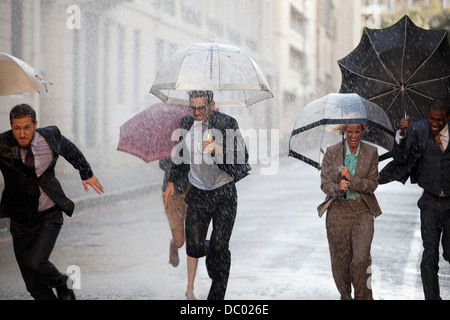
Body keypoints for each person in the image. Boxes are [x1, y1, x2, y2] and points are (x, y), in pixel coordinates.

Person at [0, 104, 104, 300]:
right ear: (11, 126)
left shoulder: (50, 136)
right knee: (34, 287)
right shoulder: (2, 144)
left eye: (27, 127)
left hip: (49, 215)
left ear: (35, 125)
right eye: (17, 128)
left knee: (37, 262)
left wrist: (86, 172)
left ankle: (62, 283)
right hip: (20, 221)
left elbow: (69, 150)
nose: (22, 133)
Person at [163, 90, 251, 300]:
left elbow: (243, 155)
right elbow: (181, 155)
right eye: (192, 108)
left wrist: (218, 149)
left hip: (224, 193)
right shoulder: (187, 123)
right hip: (199, 193)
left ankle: (216, 296)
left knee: (221, 246)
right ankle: (214, 250)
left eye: (201, 108)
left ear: (212, 105)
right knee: (194, 246)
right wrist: (172, 182)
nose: (196, 112)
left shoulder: (227, 123)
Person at [379, 99, 450, 300]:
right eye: (431, 119)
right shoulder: (418, 130)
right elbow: (401, 157)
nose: (434, 124)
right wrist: (402, 133)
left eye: (439, 120)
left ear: (448, 117)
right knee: (430, 255)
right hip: (429, 202)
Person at [317, 123, 381, 300]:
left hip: (362, 211)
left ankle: (363, 297)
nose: (353, 135)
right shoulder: (331, 153)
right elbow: (325, 183)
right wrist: (339, 187)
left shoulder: (371, 152)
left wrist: (352, 180)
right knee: (341, 263)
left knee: (361, 259)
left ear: (363, 131)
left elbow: (372, 184)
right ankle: (345, 295)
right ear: (344, 131)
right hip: (338, 213)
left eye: (357, 131)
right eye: (350, 131)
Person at [159, 157, 198, 299]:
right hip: (172, 193)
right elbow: (162, 164)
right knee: (180, 241)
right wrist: (178, 163)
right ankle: (173, 244)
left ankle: (190, 289)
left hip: (194, 191)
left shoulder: (197, 136)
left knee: (193, 241)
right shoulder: (170, 139)